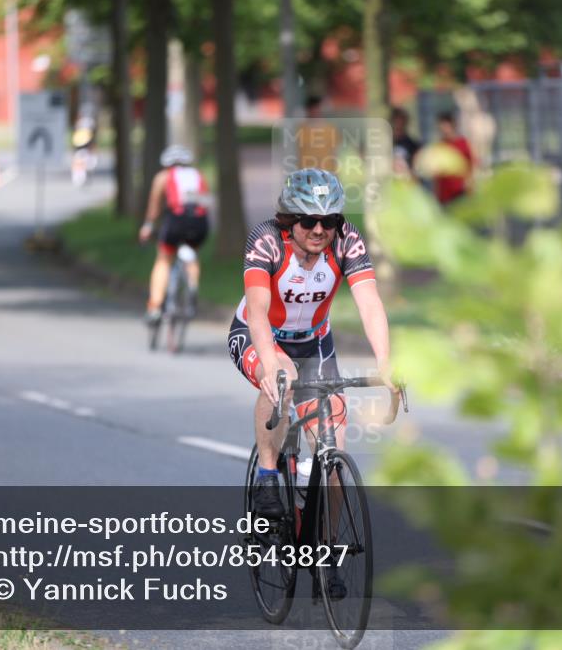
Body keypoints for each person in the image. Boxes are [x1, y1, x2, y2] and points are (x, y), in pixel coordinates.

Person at [227, 168, 394, 527]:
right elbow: (256, 313)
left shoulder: (347, 240)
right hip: (259, 334)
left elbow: (369, 303)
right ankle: (268, 478)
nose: (319, 230)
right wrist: (270, 366)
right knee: (282, 379)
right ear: (289, 220)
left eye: (329, 220)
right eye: (308, 221)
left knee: (332, 449)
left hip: (315, 342)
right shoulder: (267, 240)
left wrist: (384, 360)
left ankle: (327, 553)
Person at [138, 145, 211, 323]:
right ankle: (192, 285)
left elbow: (154, 208)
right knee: (191, 253)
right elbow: (205, 202)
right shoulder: (197, 175)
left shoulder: (163, 176)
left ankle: (154, 307)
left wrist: (147, 226)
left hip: (177, 220)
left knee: (163, 259)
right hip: (199, 222)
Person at [433, 110, 475, 206]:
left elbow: (471, 166)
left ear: (452, 125)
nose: (443, 128)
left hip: (461, 193)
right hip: (445, 196)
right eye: (441, 125)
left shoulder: (463, 143)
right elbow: (436, 174)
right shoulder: (439, 146)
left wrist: (470, 186)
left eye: (445, 125)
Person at [293, 95, 340, 171]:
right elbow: (296, 153)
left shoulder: (331, 129)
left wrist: (335, 173)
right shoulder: (300, 129)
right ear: (308, 110)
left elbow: (335, 153)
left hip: (326, 174)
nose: (315, 111)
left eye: (317, 108)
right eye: (313, 109)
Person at [390, 107, 421, 177]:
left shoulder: (412, 145)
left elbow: (416, 169)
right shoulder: (385, 144)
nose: (398, 124)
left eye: (401, 121)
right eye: (396, 121)